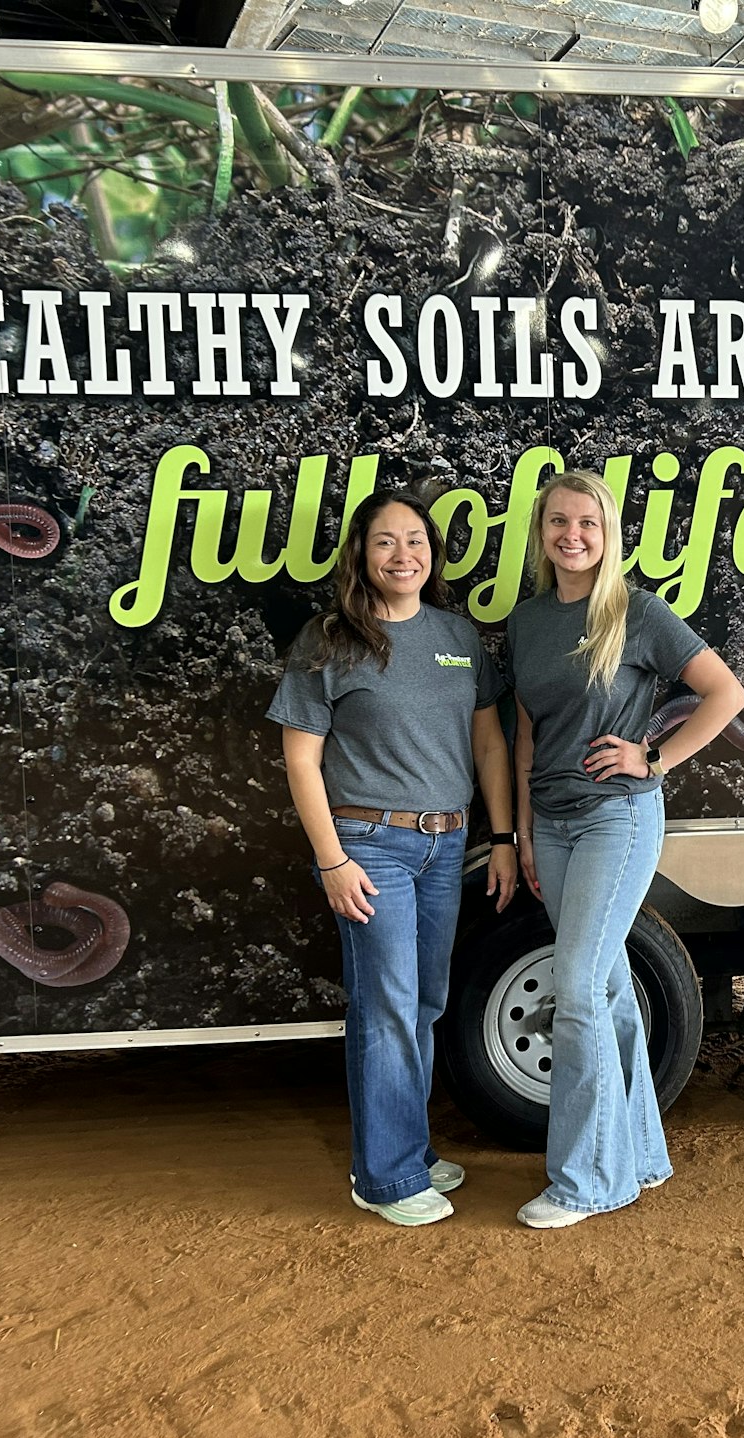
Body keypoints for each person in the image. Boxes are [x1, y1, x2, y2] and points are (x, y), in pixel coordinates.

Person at [269, 490, 518, 1227]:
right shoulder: (329, 641)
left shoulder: (458, 636)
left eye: (415, 540)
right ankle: (385, 1178)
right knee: (384, 1008)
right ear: (361, 555)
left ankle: (406, 1147)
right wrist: (333, 860)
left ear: (432, 554)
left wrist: (502, 838)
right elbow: (301, 761)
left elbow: (489, 744)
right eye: (385, 541)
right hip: (370, 846)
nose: (402, 554)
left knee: (423, 1005)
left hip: (447, 844)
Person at [507, 469, 744, 1230]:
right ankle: (637, 1155)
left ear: (608, 535)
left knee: (574, 990)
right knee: (604, 993)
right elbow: (523, 737)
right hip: (551, 823)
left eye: (587, 523)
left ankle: (585, 1181)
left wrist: (656, 758)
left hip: (618, 818)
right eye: (558, 523)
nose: (571, 536)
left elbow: (727, 693)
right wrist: (519, 834)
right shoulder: (527, 620)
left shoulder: (637, 612)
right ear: (542, 533)